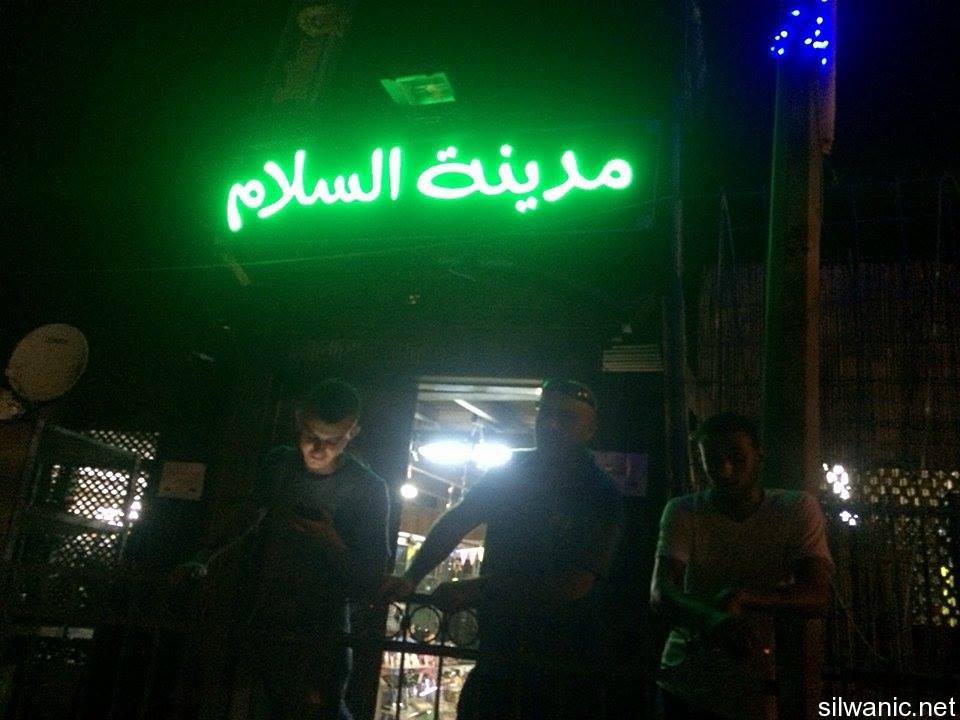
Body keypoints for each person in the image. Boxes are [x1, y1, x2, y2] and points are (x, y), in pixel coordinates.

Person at [381, 378, 623, 720]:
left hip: (562, 662)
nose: (551, 425)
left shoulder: (598, 493)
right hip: (500, 649)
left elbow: (574, 583)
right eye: (546, 415)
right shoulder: (514, 471)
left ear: (591, 428)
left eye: (565, 418)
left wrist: (477, 589)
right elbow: (456, 521)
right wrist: (411, 575)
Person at [184, 379, 390, 720]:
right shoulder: (280, 465)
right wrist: (203, 557)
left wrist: (330, 539)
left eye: (331, 441)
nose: (318, 450)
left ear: (352, 433)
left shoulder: (367, 489)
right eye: (311, 436)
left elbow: (372, 574)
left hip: (321, 628)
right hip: (263, 613)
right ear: (298, 421)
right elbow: (248, 514)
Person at [649, 413, 833, 720]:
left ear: (759, 457)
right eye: (713, 460)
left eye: (737, 457)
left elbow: (818, 595)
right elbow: (661, 592)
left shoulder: (795, 509)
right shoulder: (683, 511)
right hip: (687, 678)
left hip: (759, 678)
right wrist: (712, 619)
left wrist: (743, 597)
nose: (725, 469)